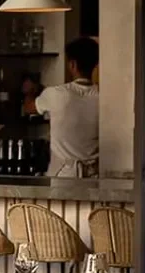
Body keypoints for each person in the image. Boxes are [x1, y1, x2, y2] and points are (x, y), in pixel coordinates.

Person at [27, 37, 99, 177]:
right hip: (95, 176)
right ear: (95, 64)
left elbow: (29, 108)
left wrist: (29, 90)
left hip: (63, 176)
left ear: (72, 65)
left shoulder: (56, 94)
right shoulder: (104, 97)